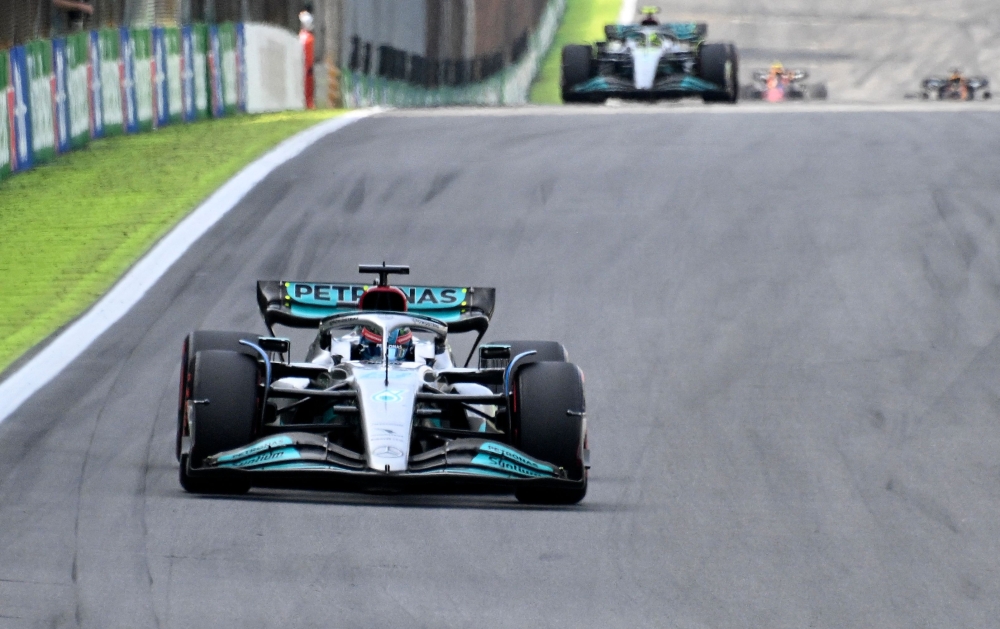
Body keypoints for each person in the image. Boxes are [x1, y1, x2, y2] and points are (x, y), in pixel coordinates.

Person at [299, 9, 316, 109]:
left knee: (307, 86)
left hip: (305, 65)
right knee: (307, 86)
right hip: (306, 66)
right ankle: (308, 104)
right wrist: (309, 65)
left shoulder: (302, 36)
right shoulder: (308, 38)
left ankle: (308, 103)